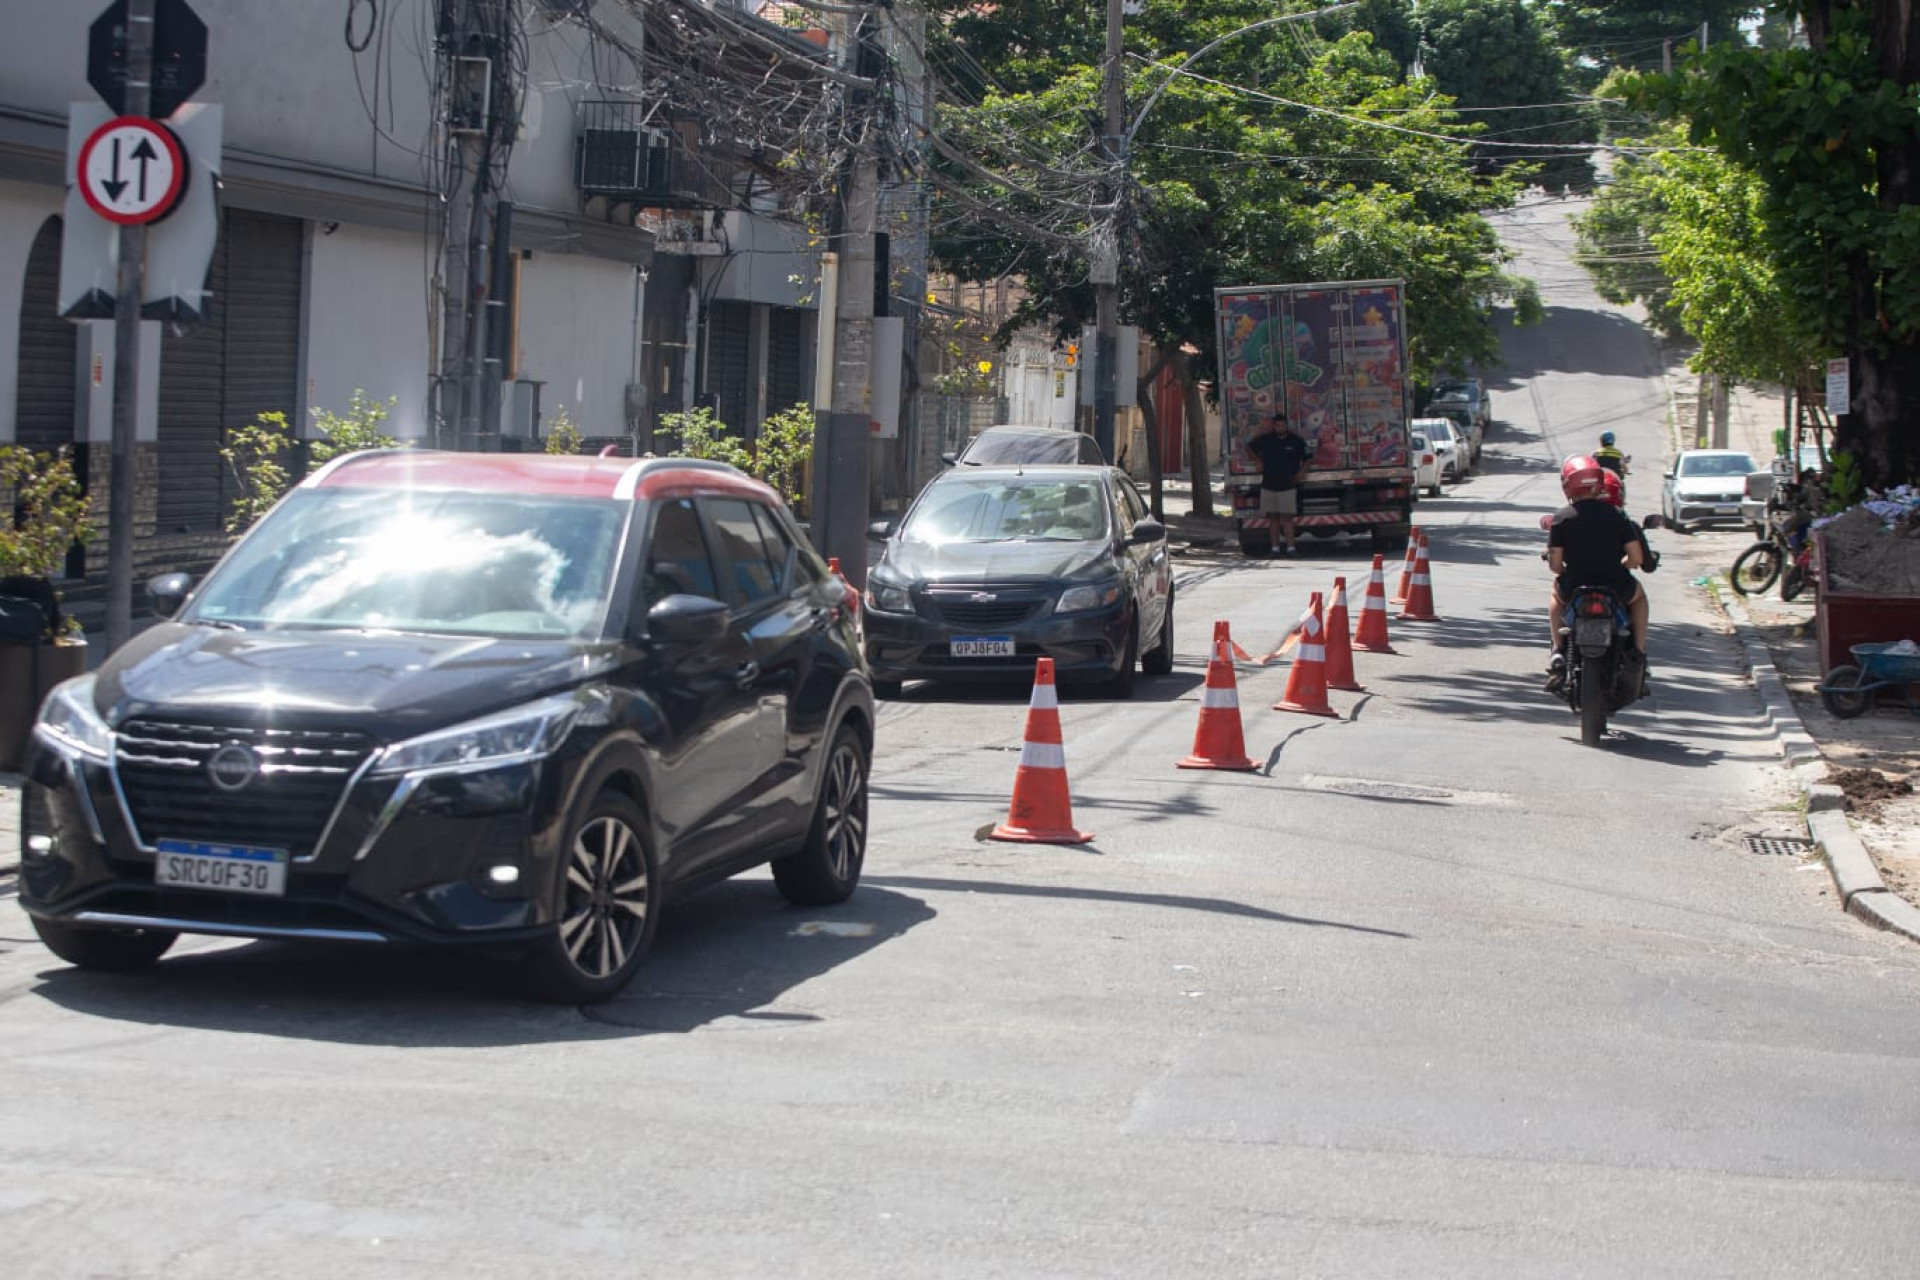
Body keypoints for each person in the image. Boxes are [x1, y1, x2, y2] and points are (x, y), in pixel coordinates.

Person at [1543, 455, 1650, 693]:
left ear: (1568, 485)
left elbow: (1555, 564)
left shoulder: (1561, 518)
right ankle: (1638, 653)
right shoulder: (1618, 516)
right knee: (1640, 598)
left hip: (1574, 587)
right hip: (1615, 587)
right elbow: (1636, 559)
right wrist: (1622, 563)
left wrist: (1564, 570)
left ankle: (1558, 650)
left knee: (1554, 594)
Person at [1247, 411, 1308, 556]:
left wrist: (1301, 473)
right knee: (1273, 518)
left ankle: (1291, 548)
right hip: (1269, 484)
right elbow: (1249, 447)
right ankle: (1274, 549)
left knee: (1287, 518)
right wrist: (1258, 462)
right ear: (1274, 426)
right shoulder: (1266, 439)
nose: (1280, 428)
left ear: (1287, 426)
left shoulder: (1296, 441)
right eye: (1277, 425)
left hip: (1288, 485)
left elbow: (1308, 458)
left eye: (1282, 425)